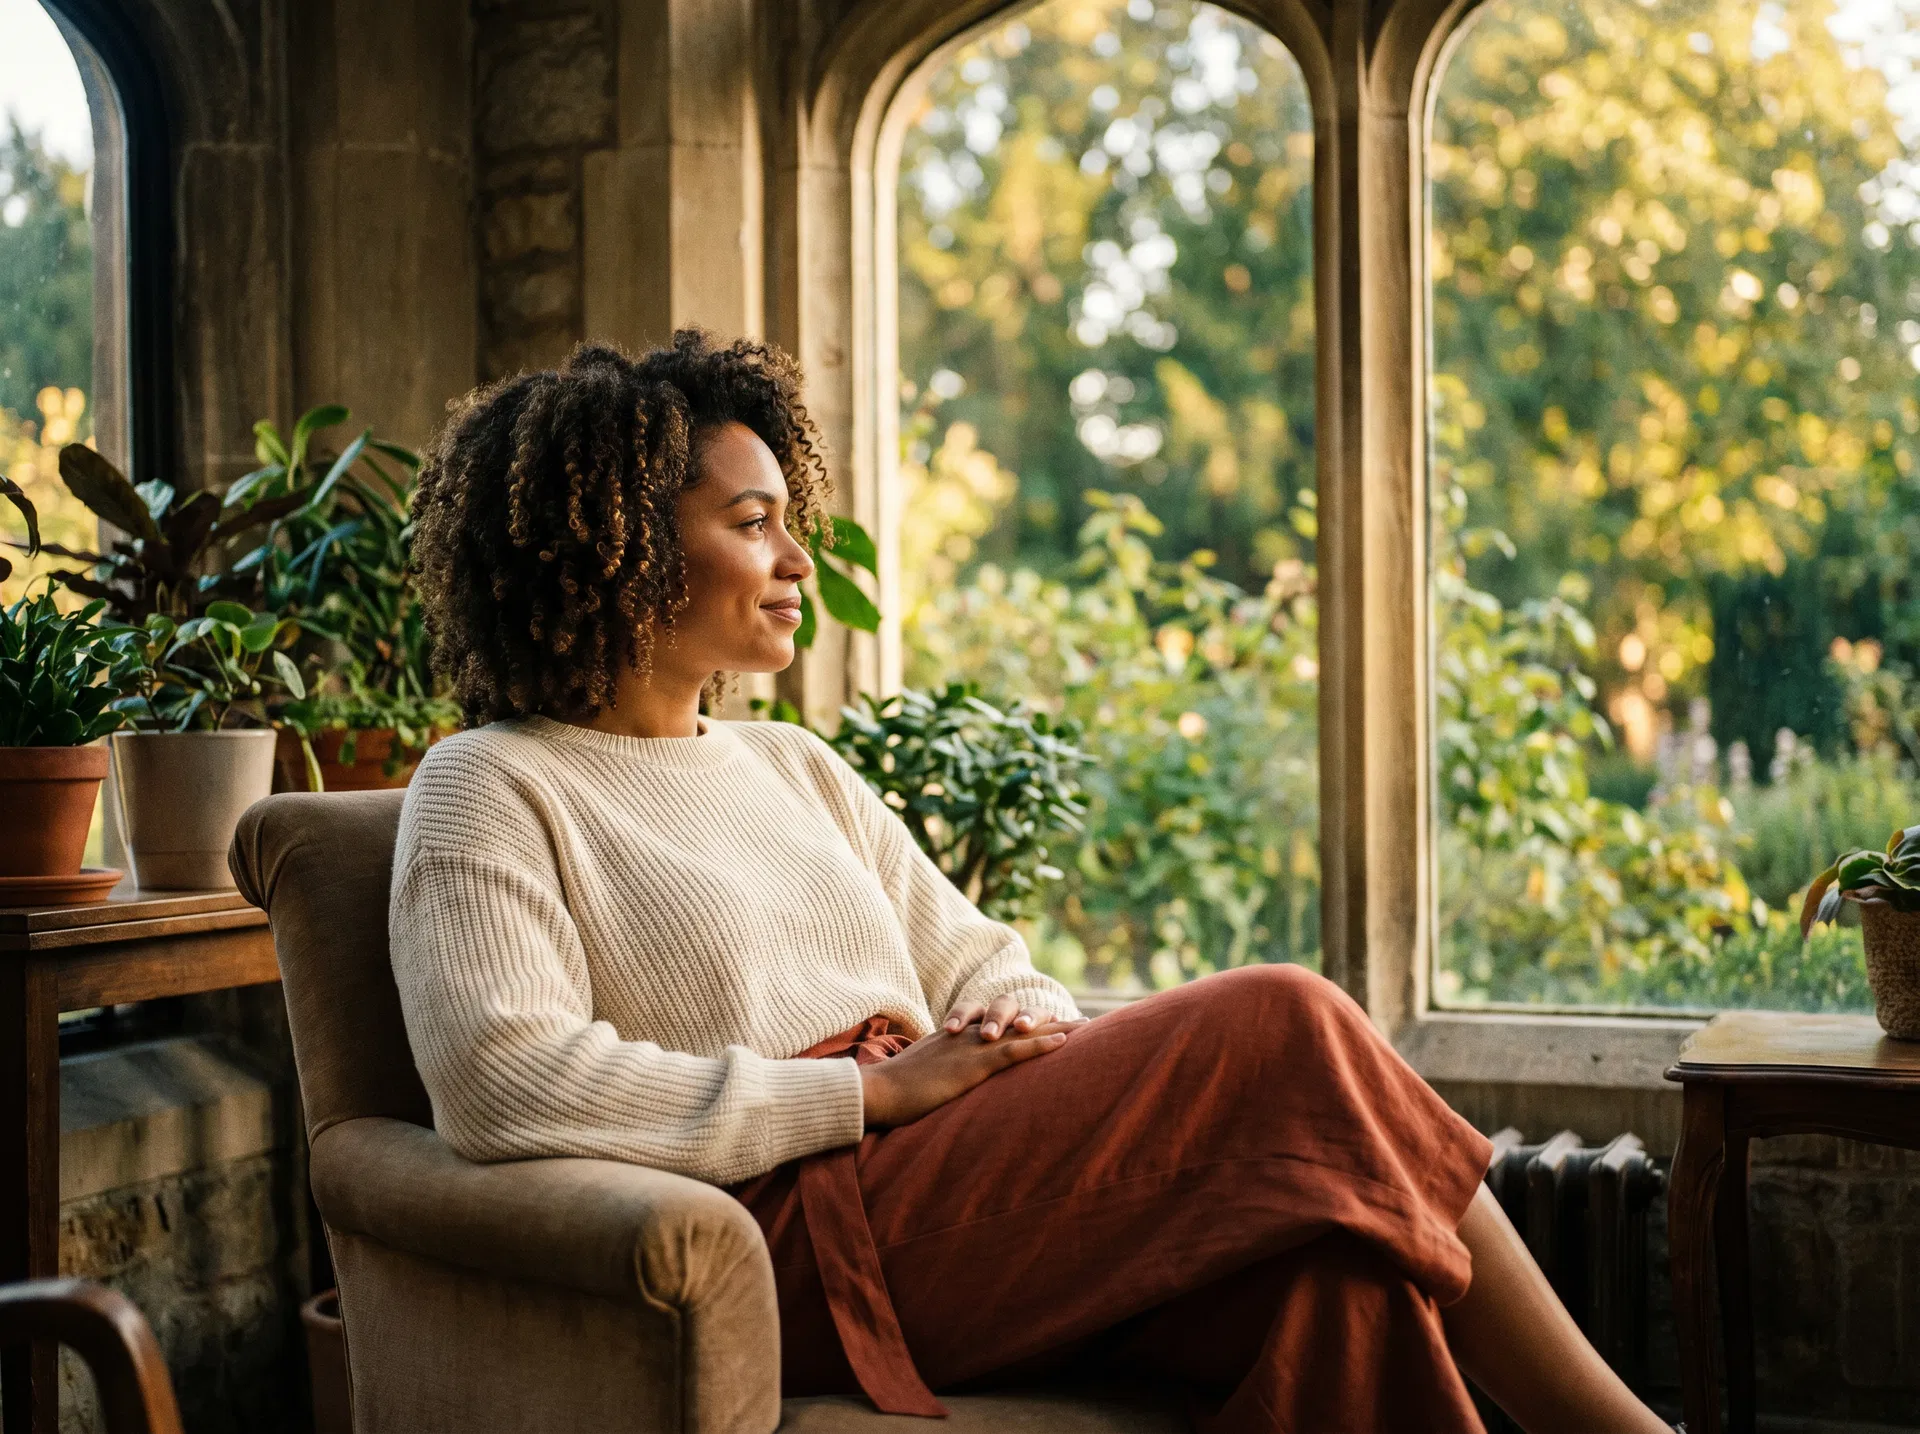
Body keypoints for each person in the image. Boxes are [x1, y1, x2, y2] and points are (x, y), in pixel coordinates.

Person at [392, 331, 1676, 1433]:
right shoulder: (491, 786)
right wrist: (867, 1092)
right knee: (1284, 1019)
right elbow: (504, 1084)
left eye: (793, 519)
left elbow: (982, 958)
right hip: (791, 1231)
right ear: (609, 548)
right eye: (751, 524)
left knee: (1332, 1284)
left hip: (942, 1169)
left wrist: (1013, 1026)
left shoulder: (791, 763)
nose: (798, 558)